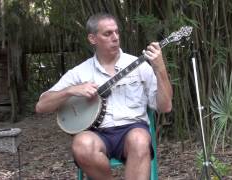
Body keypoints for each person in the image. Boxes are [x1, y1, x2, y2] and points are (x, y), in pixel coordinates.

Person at [35, 13, 172, 180]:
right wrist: (71, 90)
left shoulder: (139, 65)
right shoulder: (80, 72)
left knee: (139, 140)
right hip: (97, 133)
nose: (115, 38)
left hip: (132, 129)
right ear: (93, 39)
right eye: (107, 33)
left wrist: (160, 68)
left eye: (116, 32)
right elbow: (41, 106)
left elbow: (166, 107)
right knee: (81, 145)